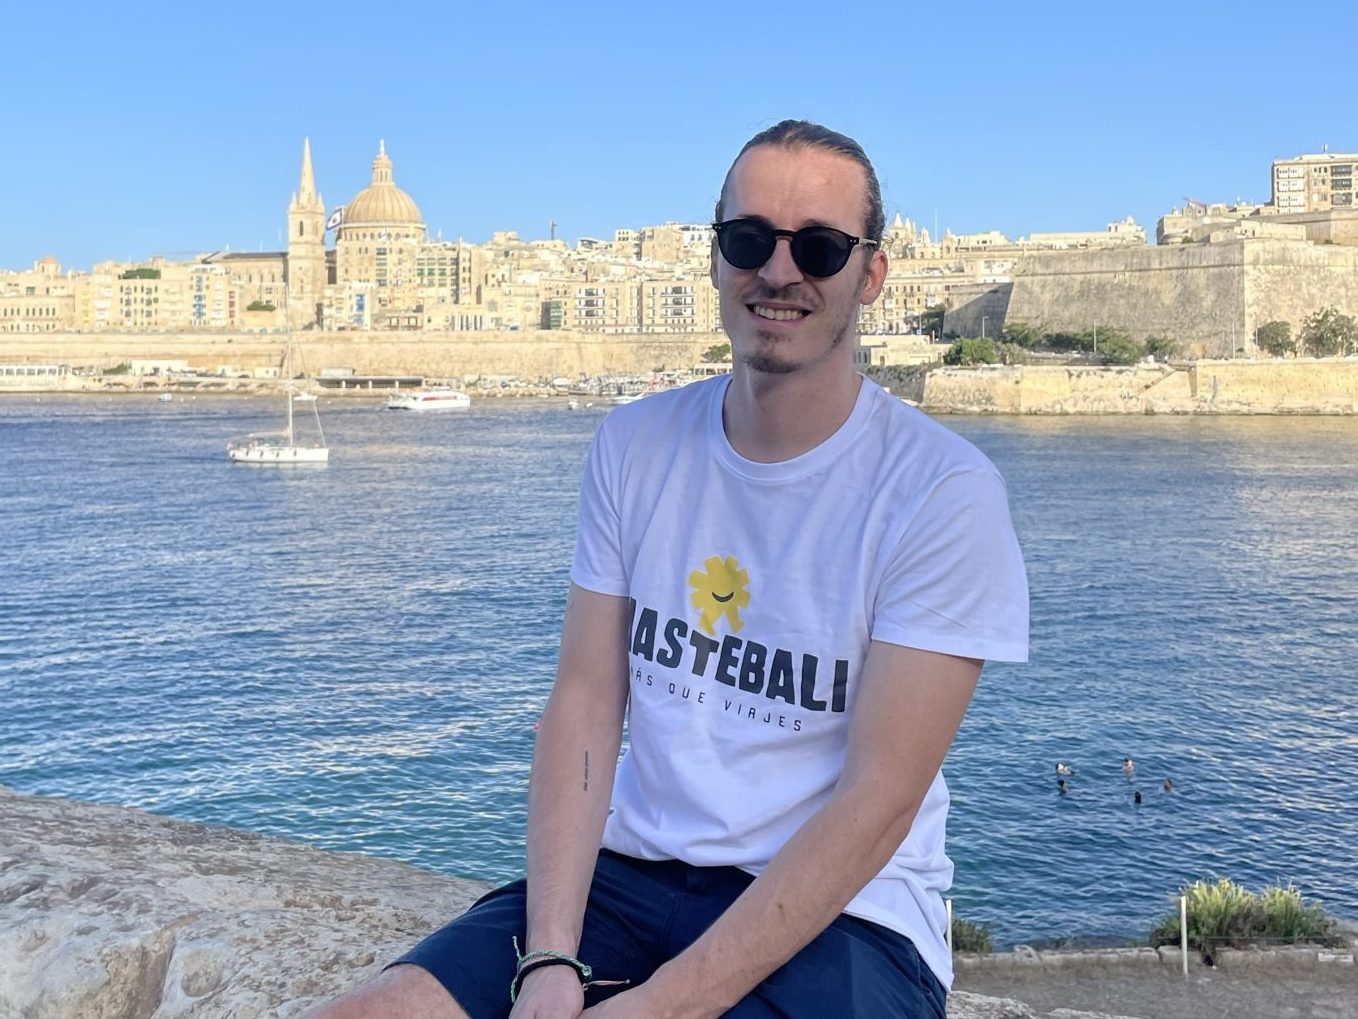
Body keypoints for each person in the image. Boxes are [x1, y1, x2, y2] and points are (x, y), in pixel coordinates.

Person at [306, 119, 1028, 1019]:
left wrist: (662, 1005)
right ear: (716, 256)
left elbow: (878, 801)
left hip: (853, 919)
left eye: (819, 247)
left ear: (871, 274)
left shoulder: (942, 492)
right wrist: (550, 955)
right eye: (750, 239)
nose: (779, 270)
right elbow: (584, 701)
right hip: (636, 874)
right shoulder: (634, 444)